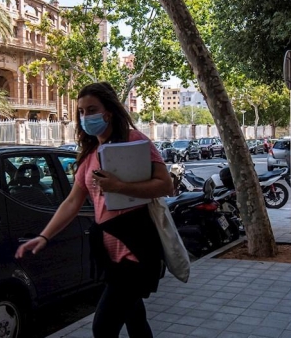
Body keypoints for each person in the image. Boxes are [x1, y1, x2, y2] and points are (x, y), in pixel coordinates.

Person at [15, 82, 173, 337]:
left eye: (91, 110)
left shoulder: (134, 140)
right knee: (135, 319)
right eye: (81, 112)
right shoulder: (89, 154)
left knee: (103, 327)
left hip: (135, 246)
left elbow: (165, 185)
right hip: (108, 251)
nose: (85, 117)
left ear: (108, 112)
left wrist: (120, 186)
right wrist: (44, 236)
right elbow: (72, 202)